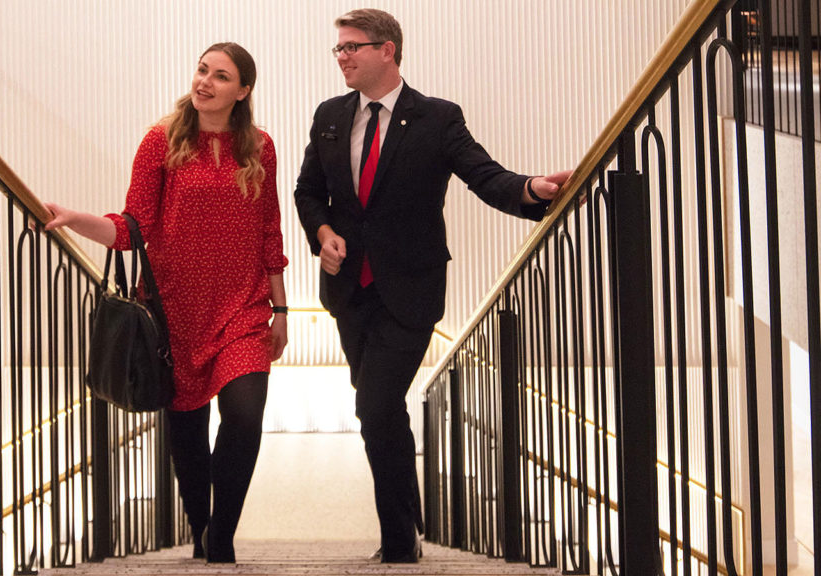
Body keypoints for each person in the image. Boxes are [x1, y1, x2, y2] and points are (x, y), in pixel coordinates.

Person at [293, 9, 571, 564]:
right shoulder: (329, 115)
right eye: (339, 49)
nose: (343, 56)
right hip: (350, 291)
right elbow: (308, 192)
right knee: (381, 409)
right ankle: (410, 527)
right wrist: (322, 233)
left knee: (374, 407)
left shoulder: (437, 117)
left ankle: (400, 541)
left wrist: (533, 189)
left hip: (410, 291)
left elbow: (484, 175)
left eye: (353, 47)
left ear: (388, 50)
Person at [45, 42, 288, 564]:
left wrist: (282, 310)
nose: (205, 82)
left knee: (244, 417)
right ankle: (202, 529)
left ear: (242, 90)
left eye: (220, 77)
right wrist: (75, 218)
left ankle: (222, 534)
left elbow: (270, 230)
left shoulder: (260, 147)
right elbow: (133, 227)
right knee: (187, 428)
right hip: (173, 309)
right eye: (202, 70)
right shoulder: (162, 140)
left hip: (243, 309)